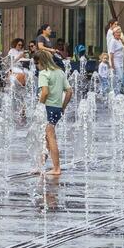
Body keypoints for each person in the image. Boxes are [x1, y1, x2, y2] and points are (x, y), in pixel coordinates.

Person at [35, 49, 72, 177]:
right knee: (47, 137)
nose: (36, 66)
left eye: (37, 63)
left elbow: (44, 92)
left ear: (41, 62)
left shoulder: (44, 74)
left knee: (50, 137)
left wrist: (40, 106)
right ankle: (40, 166)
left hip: (48, 107)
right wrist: (63, 107)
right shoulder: (60, 72)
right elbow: (69, 92)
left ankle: (56, 168)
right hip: (57, 108)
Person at [106, 23, 124, 93]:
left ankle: (120, 92)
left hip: (121, 62)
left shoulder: (119, 40)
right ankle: (116, 93)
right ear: (114, 33)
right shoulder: (113, 41)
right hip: (116, 62)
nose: (119, 33)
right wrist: (112, 65)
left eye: (119, 32)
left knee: (122, 78)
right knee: (119, 78)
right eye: (117, 32)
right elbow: (111, 54)